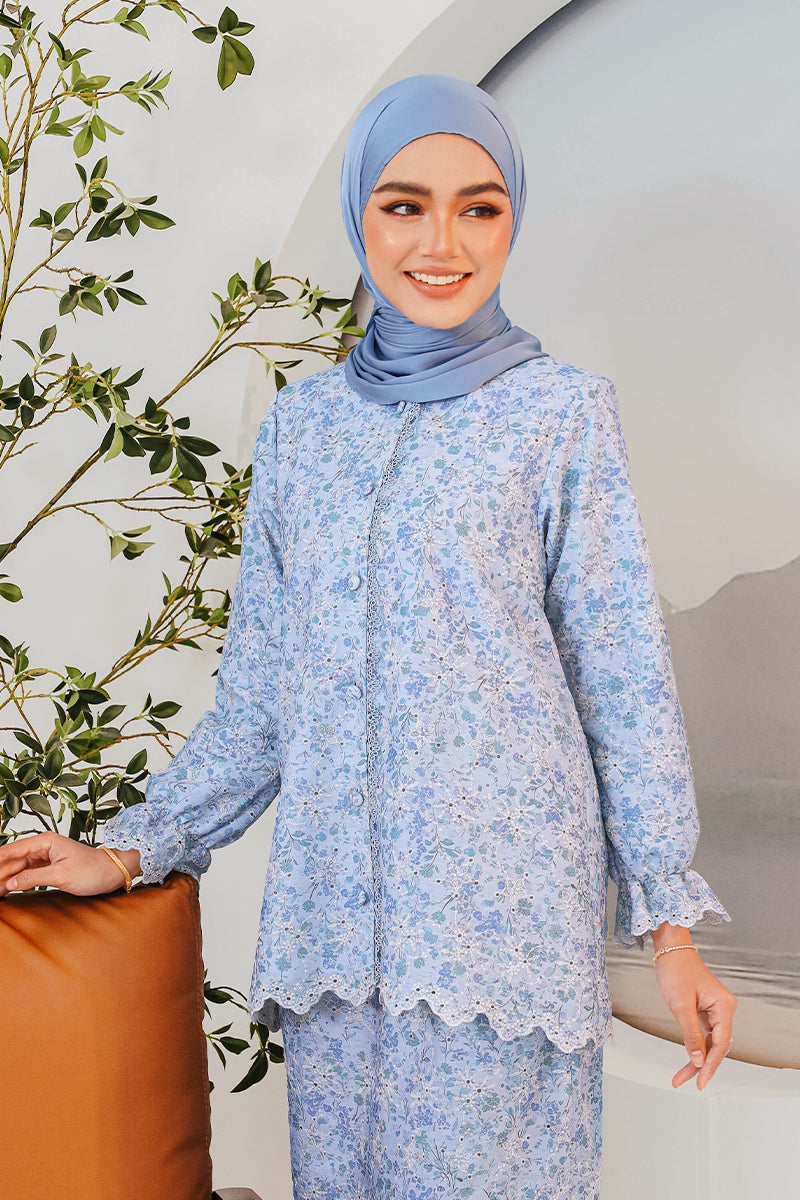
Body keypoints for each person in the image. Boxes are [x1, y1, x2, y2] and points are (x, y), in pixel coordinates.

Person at [0, 75, 736, 1197]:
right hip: (335, 932)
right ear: (360, 216)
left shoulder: (560, 415)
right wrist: (136, 847)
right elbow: (262, 698)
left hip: (497, 933)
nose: (442, 243)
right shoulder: (303, 431)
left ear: (512, 219)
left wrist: (669, 925)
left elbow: (619, 677)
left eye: (478, 208)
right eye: (404, 206)